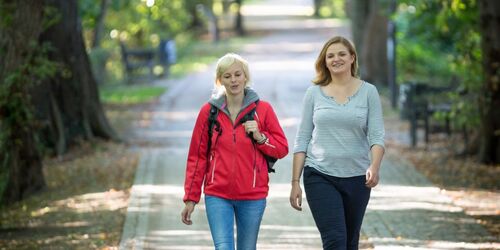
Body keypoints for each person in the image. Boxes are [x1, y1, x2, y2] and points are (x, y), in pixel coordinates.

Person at [181, 53, 289, 250]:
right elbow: (197, 157)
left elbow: (282, 148)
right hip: (217, 195)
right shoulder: (208, 112)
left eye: (237, 74)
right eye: (227, 76)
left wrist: (260, 136)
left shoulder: (263, 110)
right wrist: (191, 197)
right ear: (220, 80)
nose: (233, 80)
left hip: (253, 196)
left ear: (245, 77)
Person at [289, 36, 385, 250]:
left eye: (342, 54)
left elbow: (377, 136)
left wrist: (374, 166)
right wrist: (295, 182)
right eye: (330, 56)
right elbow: (302, 138)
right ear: (325, 61)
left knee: (351, 242)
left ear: (352, 58)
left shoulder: (369, 92)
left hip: (358, 178)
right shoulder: (313, 93)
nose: (336, 59)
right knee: (335, 240)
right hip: (320, 174)